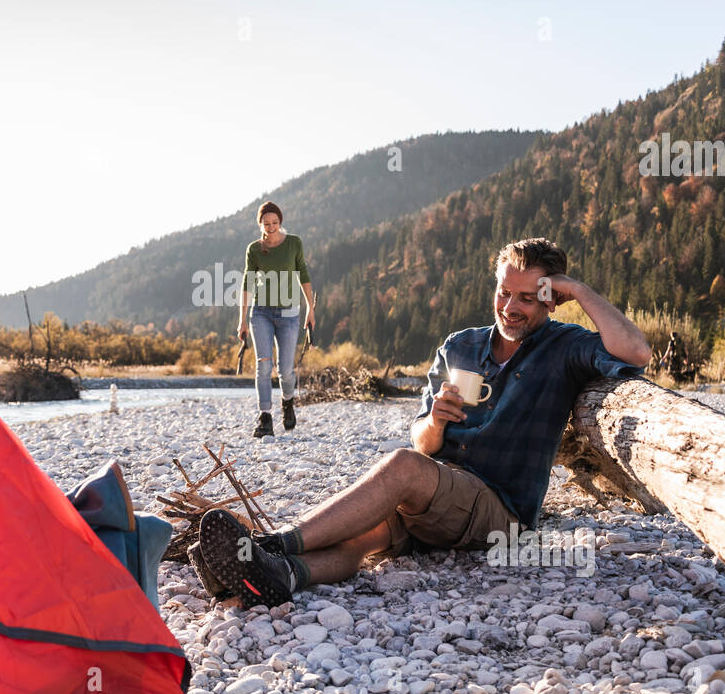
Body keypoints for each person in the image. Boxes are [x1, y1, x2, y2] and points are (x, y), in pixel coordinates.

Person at [192, 237, 652, 607]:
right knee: (362, 533)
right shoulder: (461, 345)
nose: (511, 306)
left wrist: (579, 291)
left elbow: (636, 352)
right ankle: (278, 576)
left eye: (529, 298)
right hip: (436, 493)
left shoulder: (566, 347)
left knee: (401, 467)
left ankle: (271, 545)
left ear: (552, 300)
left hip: (500, 514)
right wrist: (434, 421)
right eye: (505, 292)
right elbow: (422, 440)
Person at [236, 201, 316, 438]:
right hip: (261, 313)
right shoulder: (254, 249)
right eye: (266, 223)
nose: (270, 227)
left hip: (290, 314)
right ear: (260, 223)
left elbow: (303, 273)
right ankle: (265, 417)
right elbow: (247, 283)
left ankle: (288, 401)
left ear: (280, 222)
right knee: (263, 365)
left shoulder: (294, 243)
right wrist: (242, 321)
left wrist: (311, 309)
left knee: (286, 370)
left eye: (275, 223)